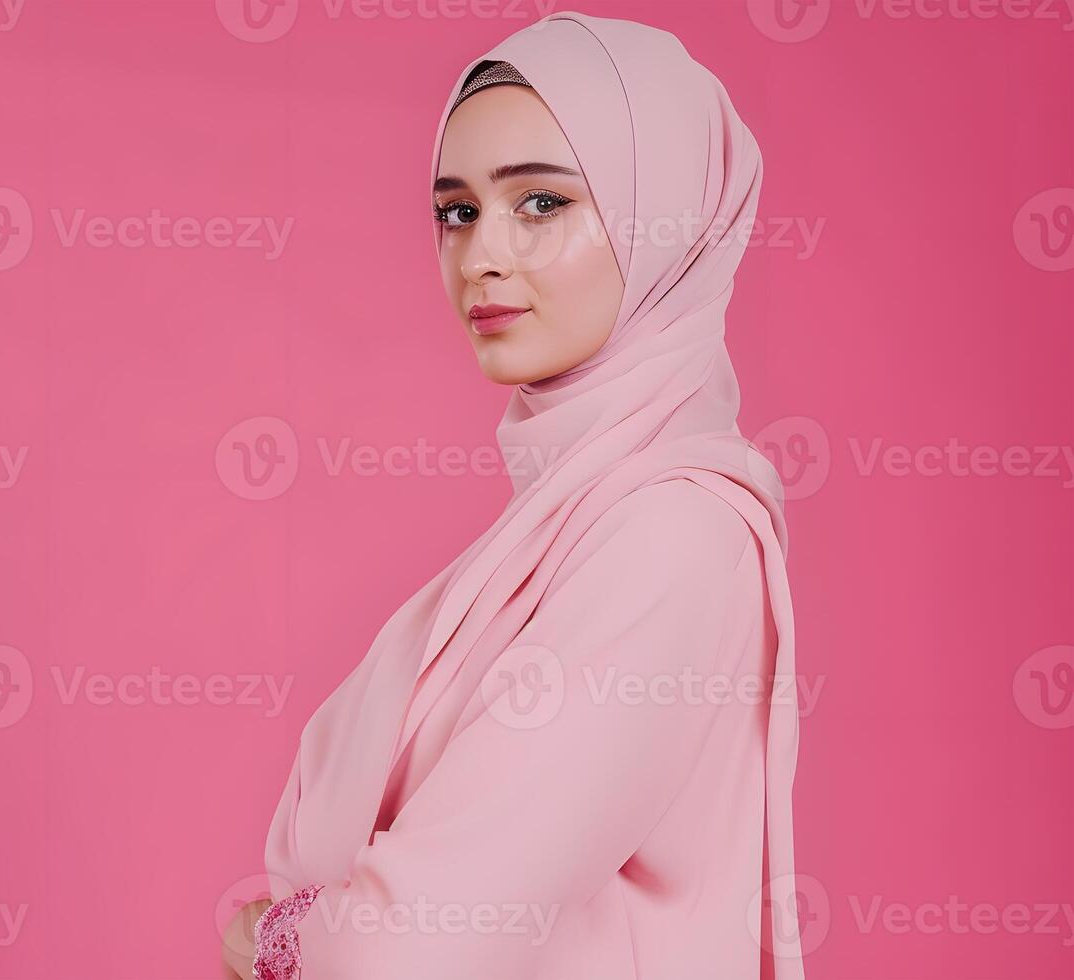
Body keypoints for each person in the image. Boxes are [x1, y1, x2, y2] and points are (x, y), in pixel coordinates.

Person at [221, 12, 804, 980]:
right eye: (457, 210)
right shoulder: (562, 527)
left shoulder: (674, 533)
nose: (483, 255)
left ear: (667, 220)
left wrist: (280, 936)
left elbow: (412, 943)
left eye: (541, 203)